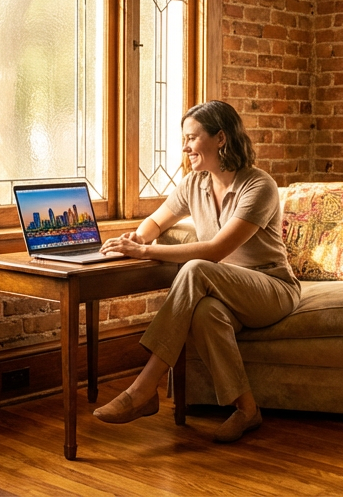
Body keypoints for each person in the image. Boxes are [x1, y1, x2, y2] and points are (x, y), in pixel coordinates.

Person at [94, 100, 299, 443]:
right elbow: (157, 220)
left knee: (195, 269)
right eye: (184, 139)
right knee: (204, 313)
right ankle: (247, 410)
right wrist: (136, 237)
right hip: (222, 290)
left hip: (271, 287)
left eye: (192, 137)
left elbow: (217, 250)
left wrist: (146, 250)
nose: (185, 147)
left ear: (221, 138)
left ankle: (144, 388)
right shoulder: (194, 184)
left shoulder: (259, 186)